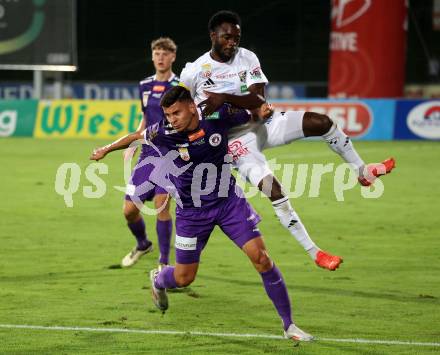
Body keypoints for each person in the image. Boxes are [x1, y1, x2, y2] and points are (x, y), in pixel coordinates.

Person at [91, 86, 314, 342]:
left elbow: (252, 115)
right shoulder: (164, 130)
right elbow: (138, 135)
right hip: (191, 212)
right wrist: (106, 149)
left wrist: (261, 112)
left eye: (176, 113)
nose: (171, 119)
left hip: (229, 202)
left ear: (191, 106)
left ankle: (289, 326)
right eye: (168, 114)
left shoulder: (218, 115)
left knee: (261, 258)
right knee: (184, 278)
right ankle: (159, 279)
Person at [179, 10, 395, 271]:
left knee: (322, 123)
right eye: (226, 37)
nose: (232, 43)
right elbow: (180, 108)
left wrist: (223, 98)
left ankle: (363, 171)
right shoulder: (194, 72)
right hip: (235, 141)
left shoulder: (247, 58)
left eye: (236, 37)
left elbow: (258, 100)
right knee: (275, 190)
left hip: (264, 124)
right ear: (213, 36)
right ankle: (316, 253)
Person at [92, 37, 180, 268]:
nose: (161, 58)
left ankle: (163, 263)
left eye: (165, 53)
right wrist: (133, 143)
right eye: (157, 53)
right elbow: (146, 118)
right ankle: (143, 244)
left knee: (162, 204)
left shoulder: (180, 87)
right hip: (148, 155)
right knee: (129, 211)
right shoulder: (145, 85)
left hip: (170, 156)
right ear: (152, 56)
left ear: (173, 57)